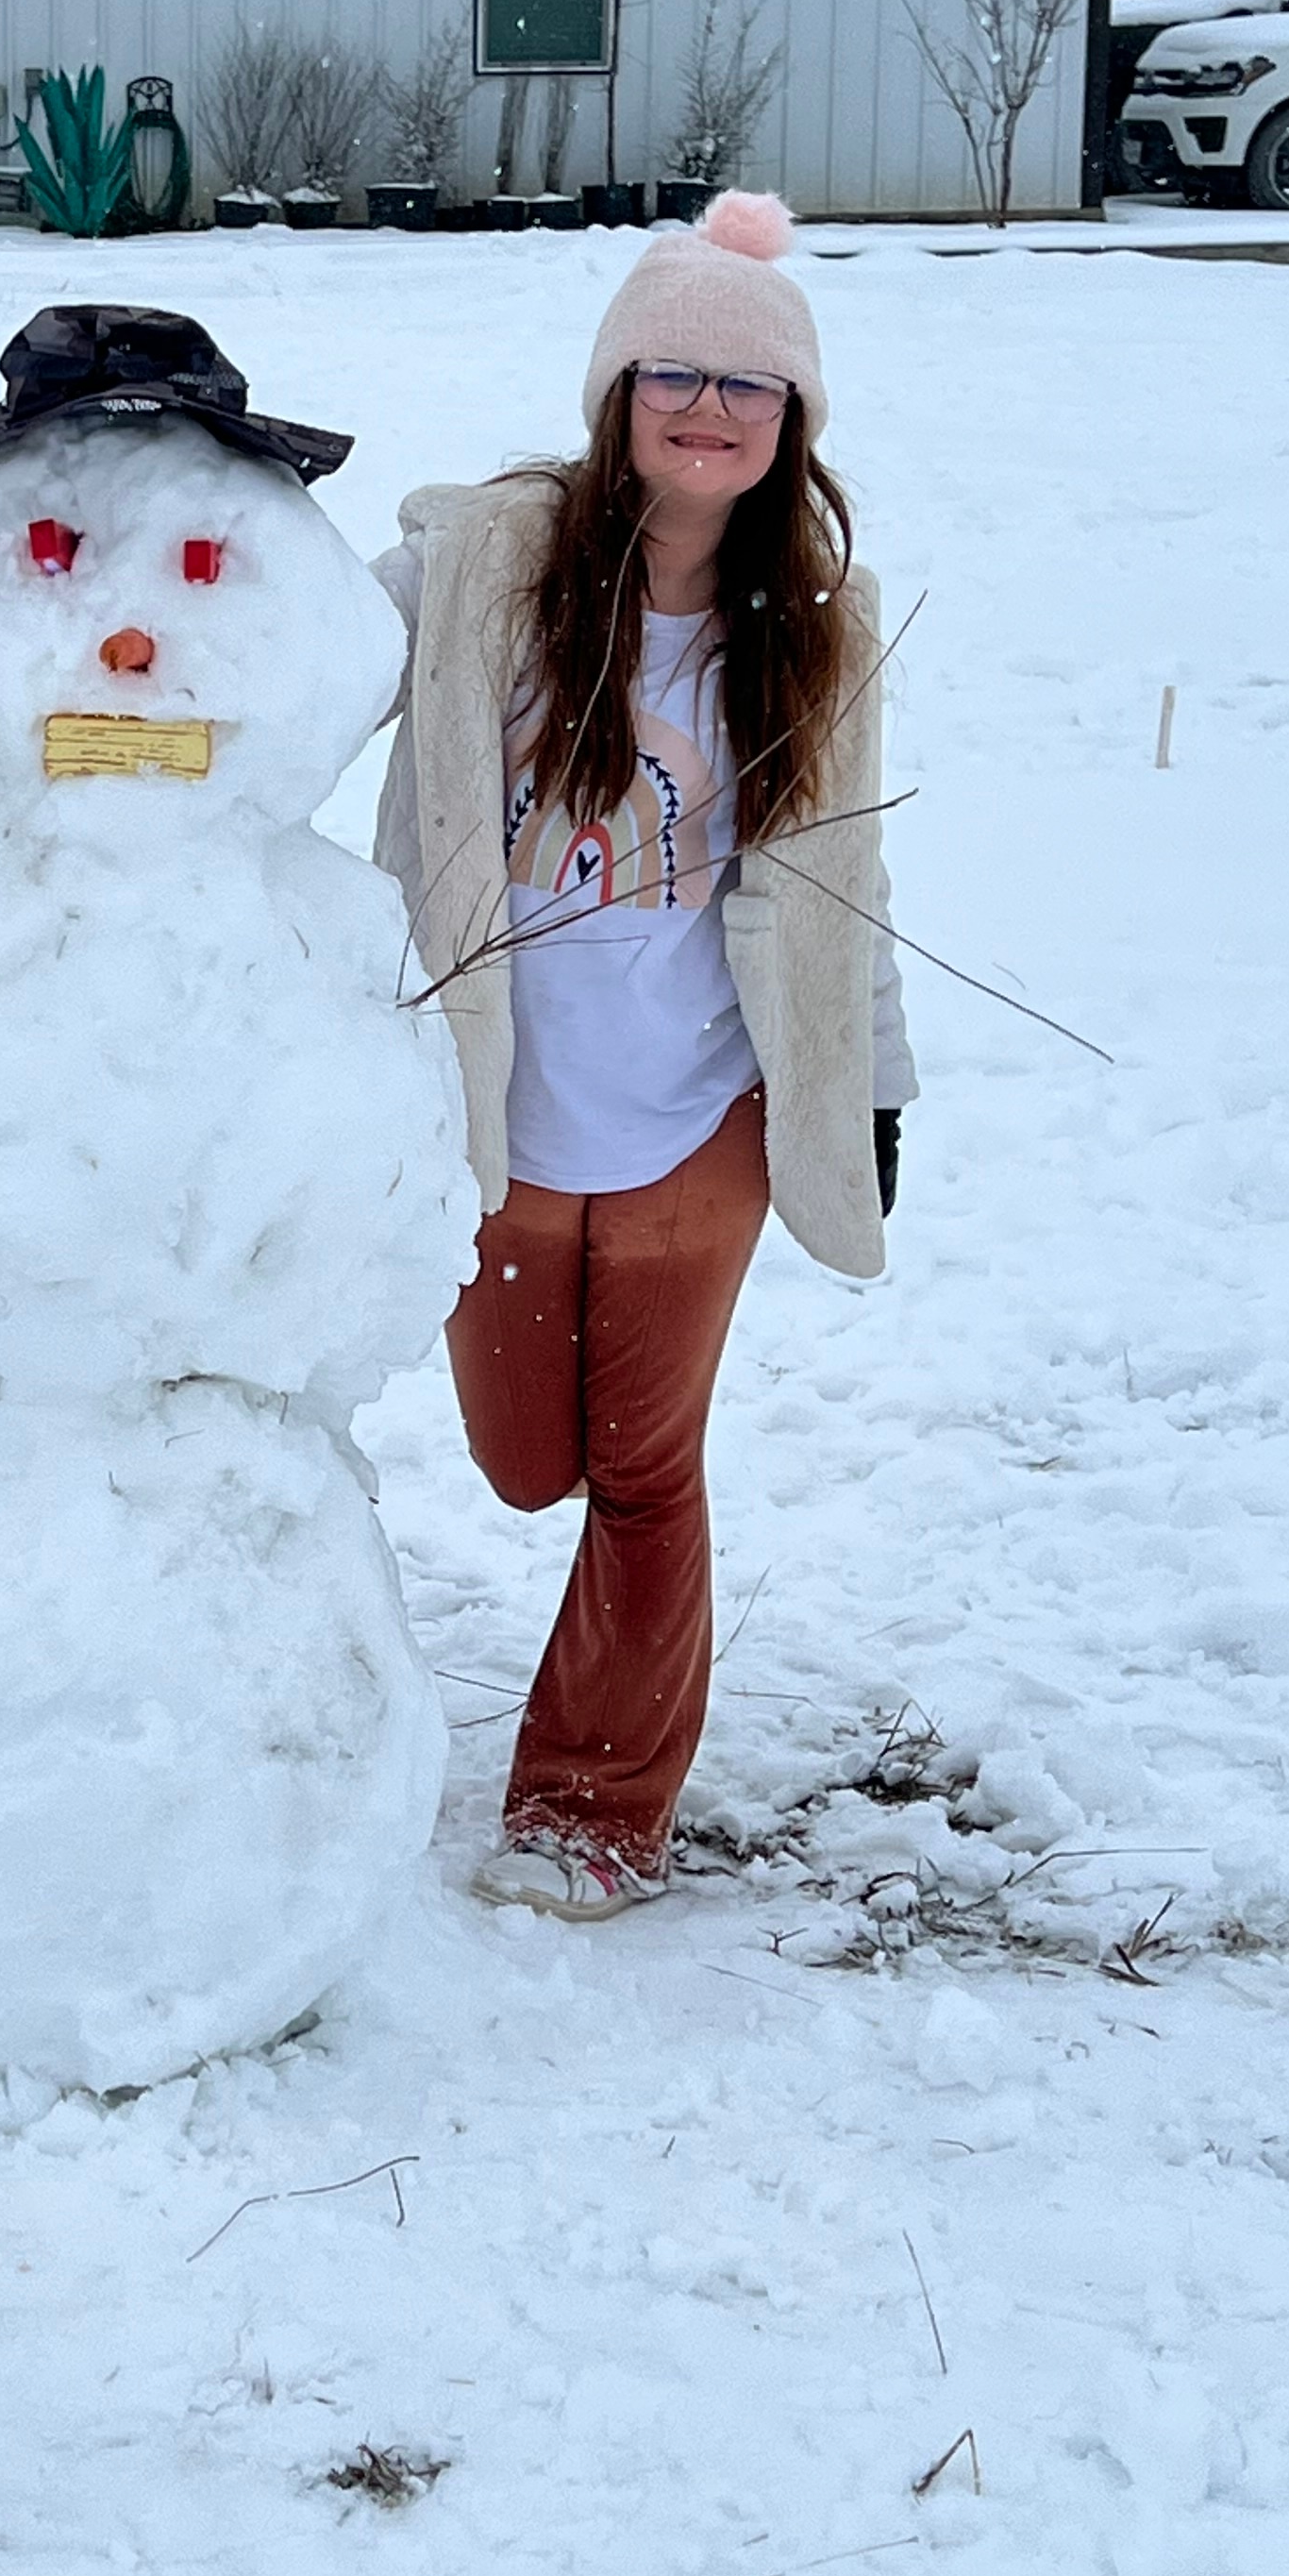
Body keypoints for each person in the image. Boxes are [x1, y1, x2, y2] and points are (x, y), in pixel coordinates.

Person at [374, 193, 914, 1919]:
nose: (708, 409)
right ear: (617, 394)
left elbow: (847, 889)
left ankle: (595, 1807)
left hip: (701, 1127)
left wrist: (873, 1084)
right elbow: (287, 653)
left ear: (792, 426)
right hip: (496, 1118)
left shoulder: (815, 624)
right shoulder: (485, 567)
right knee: (526, 1457)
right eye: (672, 372)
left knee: (643, 1471)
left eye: (748, 387)